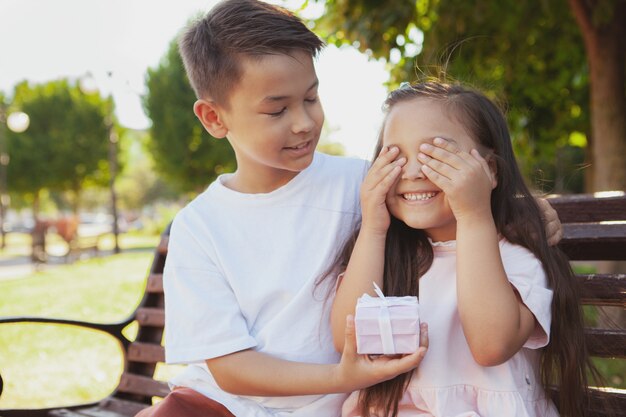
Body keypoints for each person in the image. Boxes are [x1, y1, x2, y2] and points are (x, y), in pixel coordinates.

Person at [137, 1, 563, 416]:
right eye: (277, 109)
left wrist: (524, 210)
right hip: (224, 403)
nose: (303, 122)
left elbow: (446, 194)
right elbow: (231, 371)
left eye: (311, 98)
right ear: (214, 118)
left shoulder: (365, 182)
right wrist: (343, 377)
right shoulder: (199, 227)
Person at [330, 81, 595, 417]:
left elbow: (491, 346)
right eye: (395, 156)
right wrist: (373, 226)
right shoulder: (385, 253)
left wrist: (473, 215)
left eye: (435, 154)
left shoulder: (514, 253)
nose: (411, 172)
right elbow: (347, 339)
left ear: (490, 170)